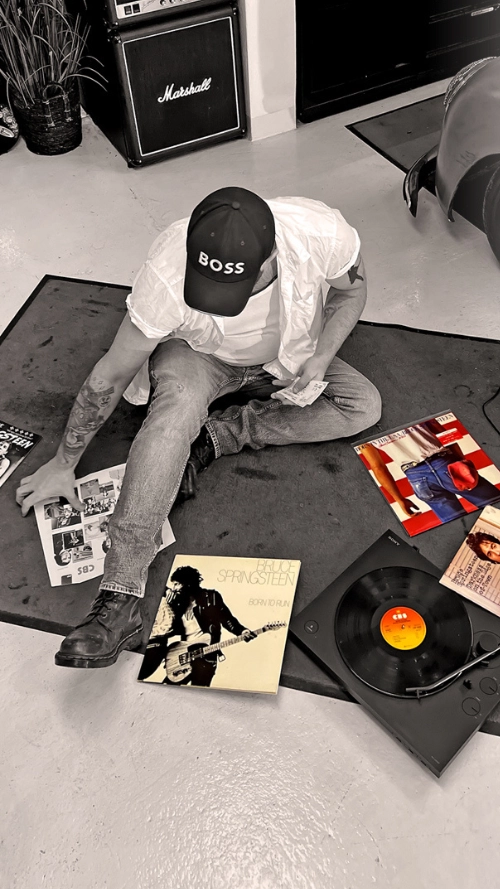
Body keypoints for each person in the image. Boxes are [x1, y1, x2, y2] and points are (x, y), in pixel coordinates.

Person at [15, 186, 381, 669]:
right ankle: (120, 596)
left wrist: (322, 355)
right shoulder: (166, 272)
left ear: (272, 257)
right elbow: (112, 374)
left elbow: (352, 290)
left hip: (285, 357)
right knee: (172, 418)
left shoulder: (321, 233)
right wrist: (64, 463)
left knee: (362, 406)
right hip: (198, 357)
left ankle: (218, 436)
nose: (218, 299)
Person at [359, 417, 500, 522]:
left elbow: (378, 468)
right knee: (495, 507)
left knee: (457, 523)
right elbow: (443, 433)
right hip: (443, 462)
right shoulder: (409, 408)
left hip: (418, 479)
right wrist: (462, 463)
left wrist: (399, 499)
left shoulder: (363, 433)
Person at [138, 565, 256, 686]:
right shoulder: (178, 603)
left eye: (176, 584)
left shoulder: (211, 598)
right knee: (166, 689)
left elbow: (227, 618)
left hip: (205, 655)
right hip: (183, 655)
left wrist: (242, 631)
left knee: (197, 691)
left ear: (187, 583)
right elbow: (153, 585)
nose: (174, 588)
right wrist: (166, 590)